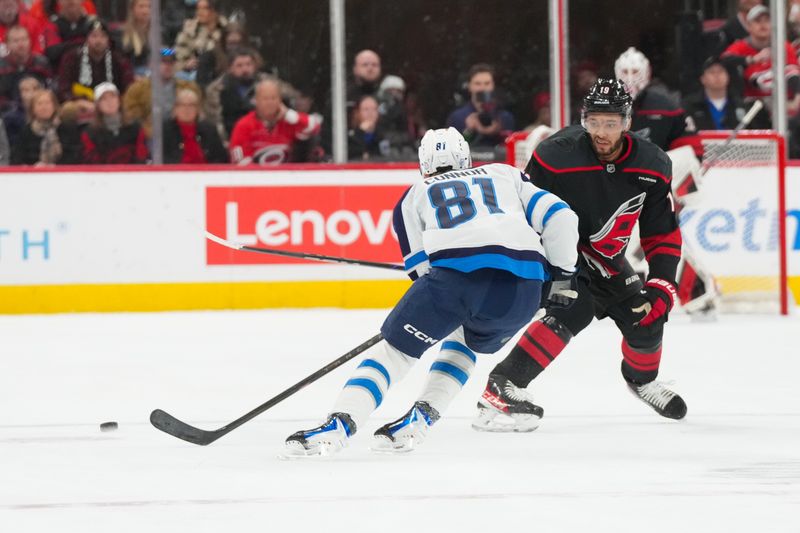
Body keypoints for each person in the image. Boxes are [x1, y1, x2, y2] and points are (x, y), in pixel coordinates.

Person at [284, 127, 579, 456]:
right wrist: (562, 275)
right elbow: (562, 216)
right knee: (463, 343)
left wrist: (446, 281)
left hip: (457, 281)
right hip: (523, 291)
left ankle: (339, 425)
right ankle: (420, 420)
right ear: (465, 156)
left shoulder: (414, 194)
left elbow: (420, 272)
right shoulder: (506, 173)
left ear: (424, 165)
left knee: (395, 352)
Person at [472, 79, 687, 434]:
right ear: (583, 120)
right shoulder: (555, 155)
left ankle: (641, 380)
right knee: (574, 306)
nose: (601, 132)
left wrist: (662, 285)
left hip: (607, 259)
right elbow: (524, 213)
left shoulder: (653, 164)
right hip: (559, 256)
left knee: (646, 319)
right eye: (594, 122)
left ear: (628, 123)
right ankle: (502, 385)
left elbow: (661, 232)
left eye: (611, 123)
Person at [228, 78, 320, 165]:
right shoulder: (244, 125)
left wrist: (288, 114)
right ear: (256, 101)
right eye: (265, 99)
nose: (270, 102)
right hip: (256, 178)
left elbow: (313, 126)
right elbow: (239, 162)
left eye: (273, 98)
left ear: (280, 100)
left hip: (288, 176)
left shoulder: (289, 122)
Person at [722, 5, 800, 105]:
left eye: (767, 21)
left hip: (785, 102)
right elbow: (724, 60)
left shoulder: (784, 46)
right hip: (754, 103)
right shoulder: (740, 46)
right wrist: (752, 60)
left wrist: (796, 101)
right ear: (749, 26)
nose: (763, 25)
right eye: (758, 21)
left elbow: (793, 73)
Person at [614, 47, 688, 151]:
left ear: (647, 73)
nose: (630, 78)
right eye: (625, 72)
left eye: (635, 71)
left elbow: (682, 146)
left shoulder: (667, 108)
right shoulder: (601, 106)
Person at [122, 48, 200, 138]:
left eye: (171, 62)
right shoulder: (136, 90)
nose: (167, 66)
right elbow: (130, 116)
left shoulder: (188, 87)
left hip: (181, 134)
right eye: (162, 62)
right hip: (150, 136)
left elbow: (198, 113)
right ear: (151, 65)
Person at [683, 55, 771, 131]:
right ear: (702, 79)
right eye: (712, 72)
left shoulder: (743, 106)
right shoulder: (689, 106)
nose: (717, 75)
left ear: (728, 77)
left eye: (721, 71)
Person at [56, 19, 133, 101]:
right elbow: (64, 90)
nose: (98, 41)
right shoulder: (72, 58)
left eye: (103, 36)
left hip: (112, 104)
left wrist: (116, 101)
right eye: (94, 36)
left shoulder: (118, 59)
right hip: (81, 105)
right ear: (86, 39)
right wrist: (79, 101)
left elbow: (129, 88)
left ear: (108, 40)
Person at [446, 63, 515, 148]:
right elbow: (453, 149)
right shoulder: (457, 117)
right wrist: (468, 131)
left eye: (487, 83)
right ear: (469, 86)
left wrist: (499, 131)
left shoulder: (504, 117)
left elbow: (510, 148)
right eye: (477, 84)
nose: (482, 88)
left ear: (493, 85)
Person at [80, 82, 147, 164]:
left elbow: (141, 156)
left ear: (119, 100)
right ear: (98, 105)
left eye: (113, 96)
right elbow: (91, 161)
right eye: (104, 99)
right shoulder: (90, 133)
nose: (109, 102)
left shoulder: (135, 128)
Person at [10, 88, 80, 165]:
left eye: (47, 103)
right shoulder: (26, 131)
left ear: (54, 106)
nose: (44, 107)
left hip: (64, 173)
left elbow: (75, 155)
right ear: (33, 109)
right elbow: (17, 157)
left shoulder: (67, 129)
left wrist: (56, 167)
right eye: (39, 104)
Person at [163, 88, 228, 164]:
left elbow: (221, 159)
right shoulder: (165, 130)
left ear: (198, 109)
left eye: (191, 105)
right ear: (175, 109)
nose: (186, 109)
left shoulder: (209, 129)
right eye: (182, 105)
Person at [0, 25, 52, 112]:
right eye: (15, 41)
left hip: (40, 108)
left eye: (24, 39)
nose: (21, 44)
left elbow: (50, 88)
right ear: (7, 45)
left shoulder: (41, 62)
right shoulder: (1, 66)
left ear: (29, 41)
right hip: (8, 112)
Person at [173, 0, 228, 79]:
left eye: (205, 8)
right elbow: (177, 55)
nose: (200, 12)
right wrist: (186, 65)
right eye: (198, 8)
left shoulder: (225, 29)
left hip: (218, 73)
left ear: (214, 11)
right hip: (192, 73)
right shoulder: (190, 29)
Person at [115, 0, 151, 77]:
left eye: (149, 7)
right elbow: (122, 59)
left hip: (156, 71)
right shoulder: (122, 34)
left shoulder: (160, 31)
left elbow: (168, 52)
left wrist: (165, 51)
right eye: (141, 6)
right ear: (132, 9)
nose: (146, 11)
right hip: (134, 72)